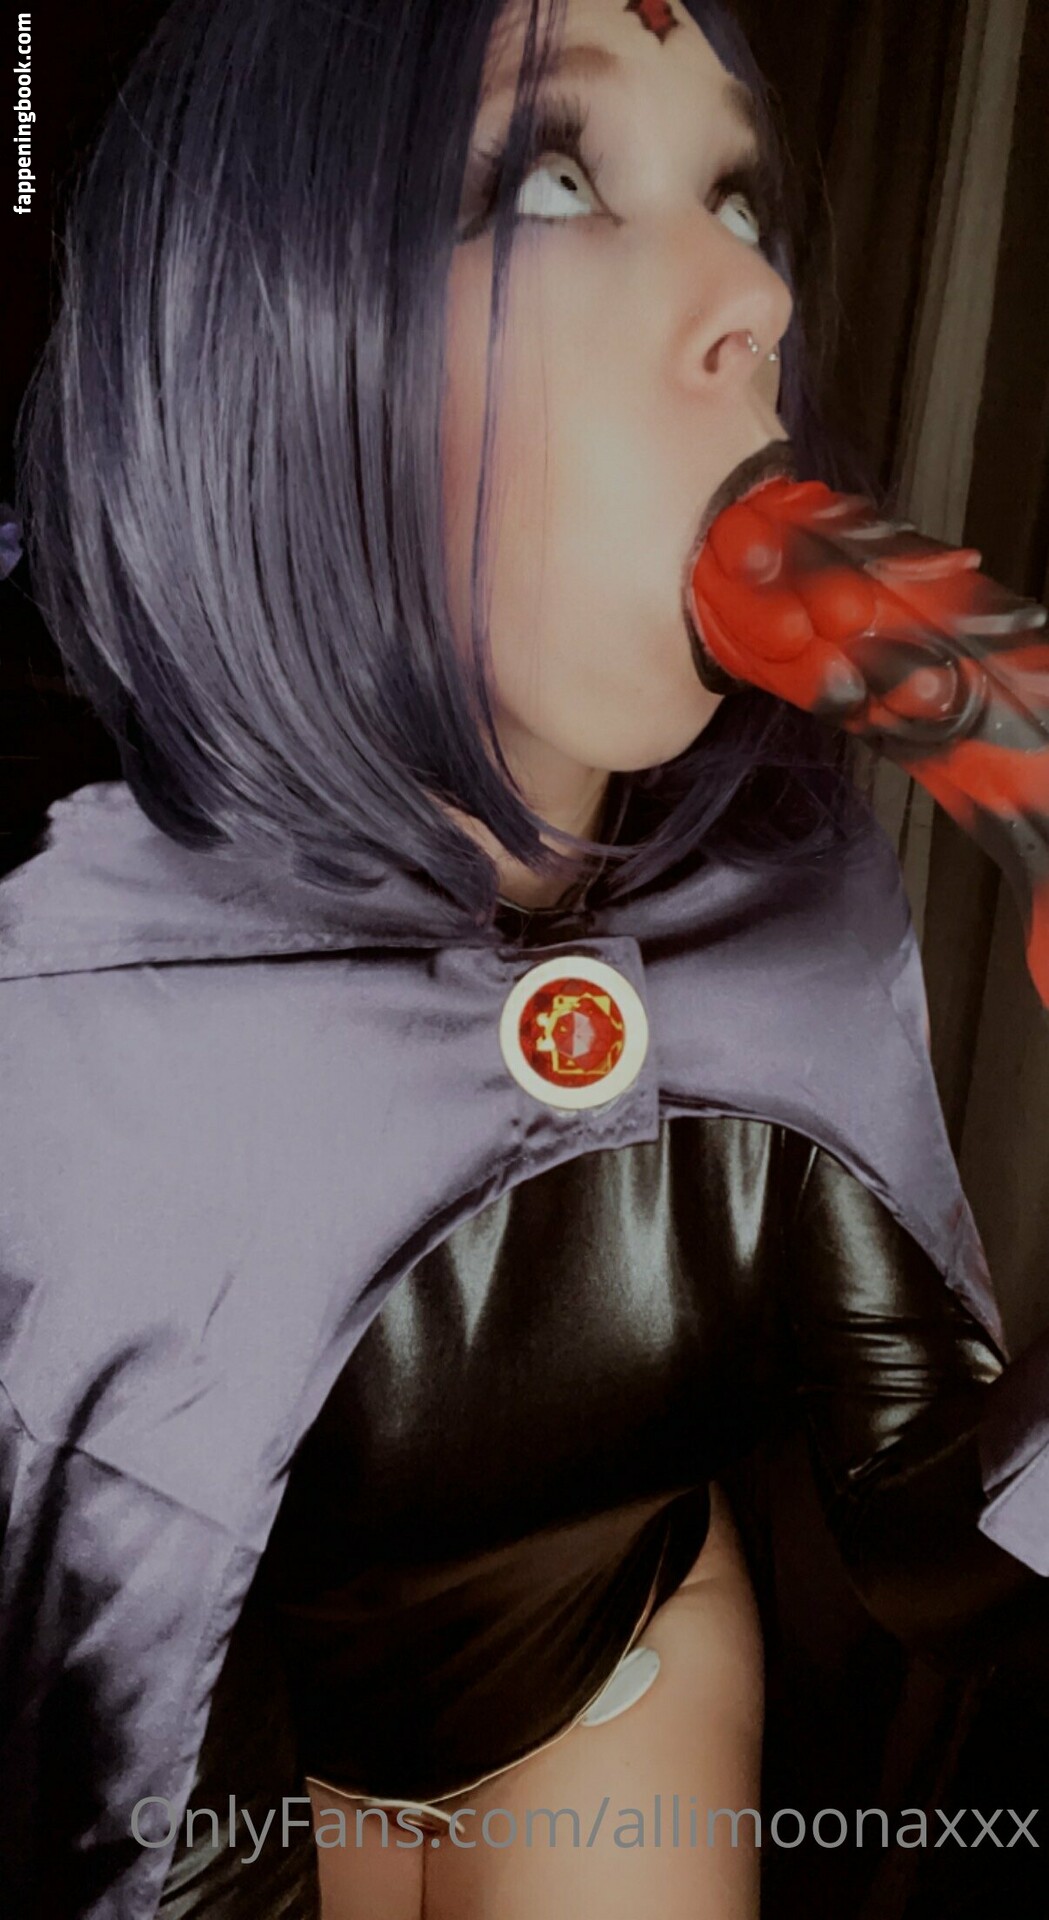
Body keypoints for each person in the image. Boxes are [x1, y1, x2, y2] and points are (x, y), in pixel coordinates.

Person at [3, 1, 1046, 1917]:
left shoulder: (796, 897)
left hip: (615, 1659)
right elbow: (101, 1747)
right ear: (261, 316)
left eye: (738, 196)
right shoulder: (60, 1010)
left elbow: (952, 1544)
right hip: (227, 1743)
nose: (753, 294)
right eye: (553, 180)